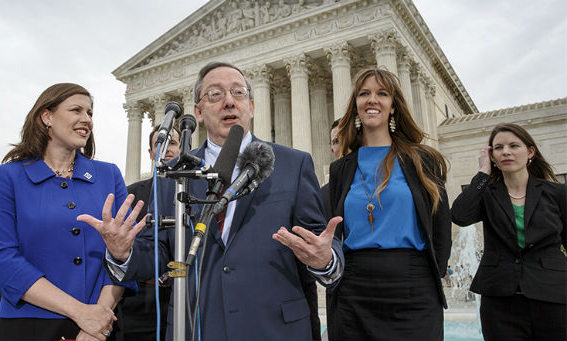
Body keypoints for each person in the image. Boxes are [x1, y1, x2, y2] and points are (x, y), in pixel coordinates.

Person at [79, 61, 344, 341]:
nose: (229, 101)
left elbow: (315, 238)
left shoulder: (293, 164)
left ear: (251, 106)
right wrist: (122, 253)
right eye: (215, 95)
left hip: (274, 329)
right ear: (198, 112)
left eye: (238, 93)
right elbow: (157, 253)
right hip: (197, 328)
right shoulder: (173, 175)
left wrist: (325, 259)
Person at [0, 83, 139, 341]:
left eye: (90, 113)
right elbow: (0, 259)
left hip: (100, 328)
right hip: (27, 327)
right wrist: (80, 313)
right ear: (47, 117)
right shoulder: (7, 177)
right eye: (76, 110)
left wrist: (99, 316)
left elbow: (127, 254)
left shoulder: (109, 175)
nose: (86, 119)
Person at [326, 68, 451, 340]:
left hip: (412, 286)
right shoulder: (341, 170)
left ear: (393, 107)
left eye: (382, 94)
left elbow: (441, 228)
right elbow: (335, 232)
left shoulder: (423, 160)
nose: (373, 100)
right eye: (364, 94)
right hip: (354, 287)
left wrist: (429, 276)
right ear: (356, 105)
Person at [451, 123, 566, 341]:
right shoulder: (486, 194)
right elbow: (459, 216)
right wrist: (483, 173)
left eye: (514, 145)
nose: (506, 151)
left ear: (530, 152)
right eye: (498, 148)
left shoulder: (558, 193)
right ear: (491, 155)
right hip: (499, 300)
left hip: (554, 296)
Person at [115, 125, 180, 341]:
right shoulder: (131, 194)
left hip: (185, 296)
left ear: (182, 149)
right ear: (151, 153)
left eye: (172, 143)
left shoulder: (200, 193)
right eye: (159, 144)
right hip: (141, 301)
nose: (166, 149)